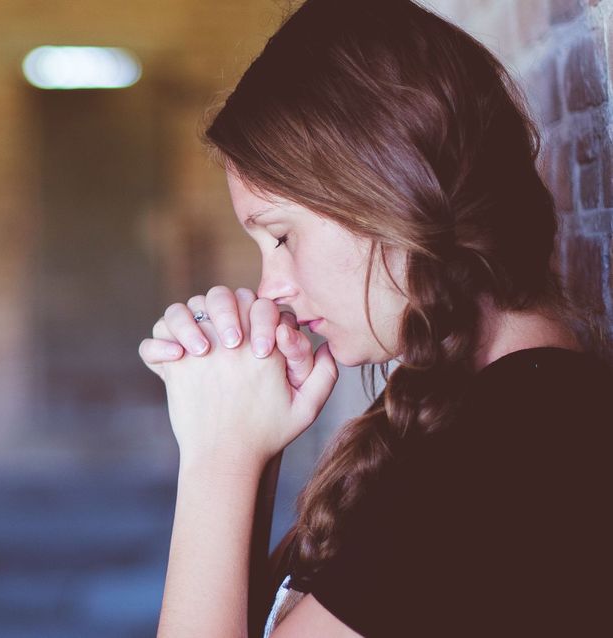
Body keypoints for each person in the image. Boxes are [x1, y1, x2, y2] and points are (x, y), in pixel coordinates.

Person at [137, 0, 613, 636]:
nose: (270, 289)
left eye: (280, 236)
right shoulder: (485, 421)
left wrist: (217, 459)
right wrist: (250, 444)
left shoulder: (513, 457)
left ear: (389, 194)